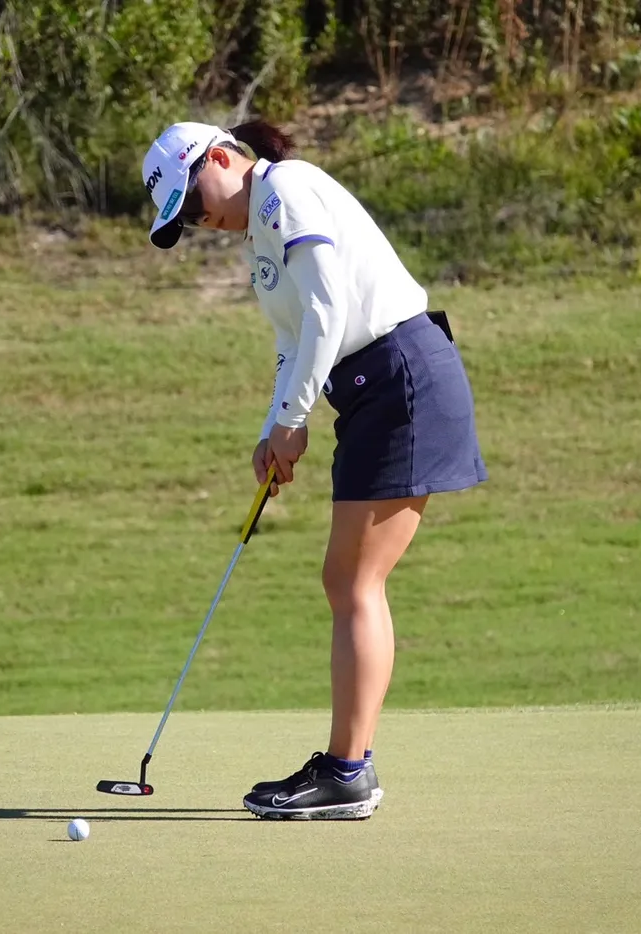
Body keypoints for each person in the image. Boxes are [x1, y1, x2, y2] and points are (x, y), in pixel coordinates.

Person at [141, 119, 487, 820]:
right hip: (369, 390)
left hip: (401, 378)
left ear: (219, 157)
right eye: (184, 219)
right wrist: (274, 426)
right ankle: (348, 767)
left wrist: (294, 421)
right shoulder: (261, 236)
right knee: (347, 580)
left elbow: (328, 311)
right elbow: (292, 338)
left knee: (354, 581)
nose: (199, 221)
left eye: (193, 201)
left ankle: (347, 772)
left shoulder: (286, 190)